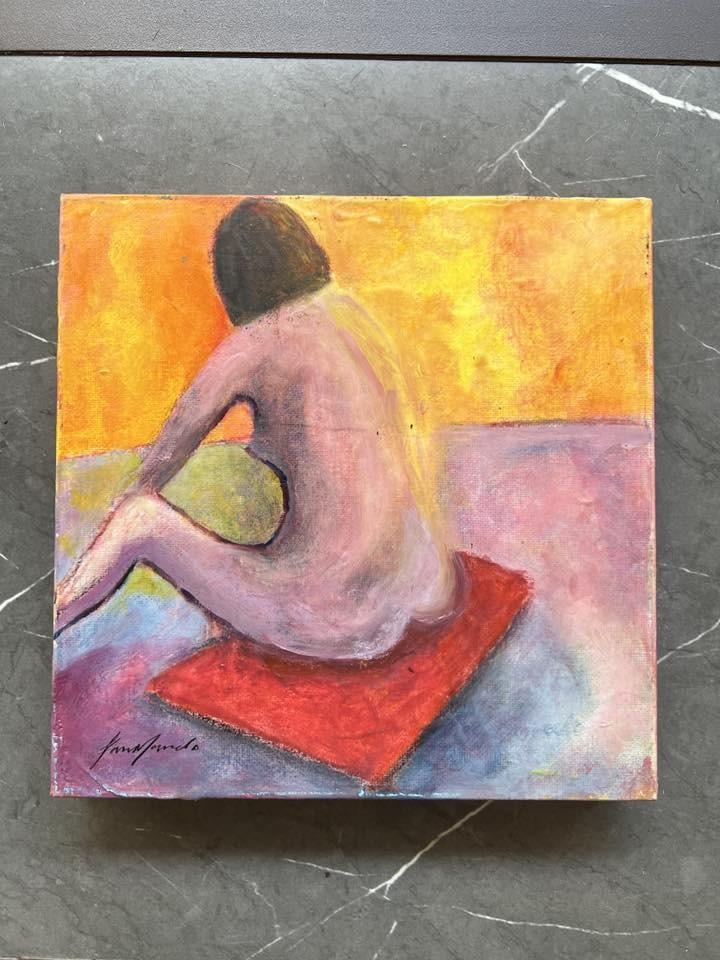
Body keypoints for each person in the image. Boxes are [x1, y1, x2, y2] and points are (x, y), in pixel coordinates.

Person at [55, 198, 458, 660]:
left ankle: (42, 621)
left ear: (235, 279)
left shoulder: (254, 344)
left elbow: (157, 467)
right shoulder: (356, 317)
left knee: (137, 518)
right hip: (425, 588)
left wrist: (127, 510)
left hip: (337, 620)